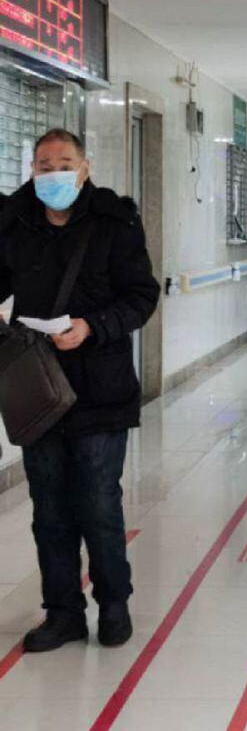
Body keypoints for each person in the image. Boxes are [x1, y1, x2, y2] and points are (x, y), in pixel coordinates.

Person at [0, 129, 160, 652]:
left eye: (64, 162)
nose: (53, 173)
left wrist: (93, 327)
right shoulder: (14, 222)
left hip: (101, 386)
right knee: (50, 507)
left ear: (85, 167)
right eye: (44, 165)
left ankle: (114, 605)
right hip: (37, 389)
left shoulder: (116, 222)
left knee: (97, 501)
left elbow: (140, 296)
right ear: (32, 170)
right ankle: (63, 611)